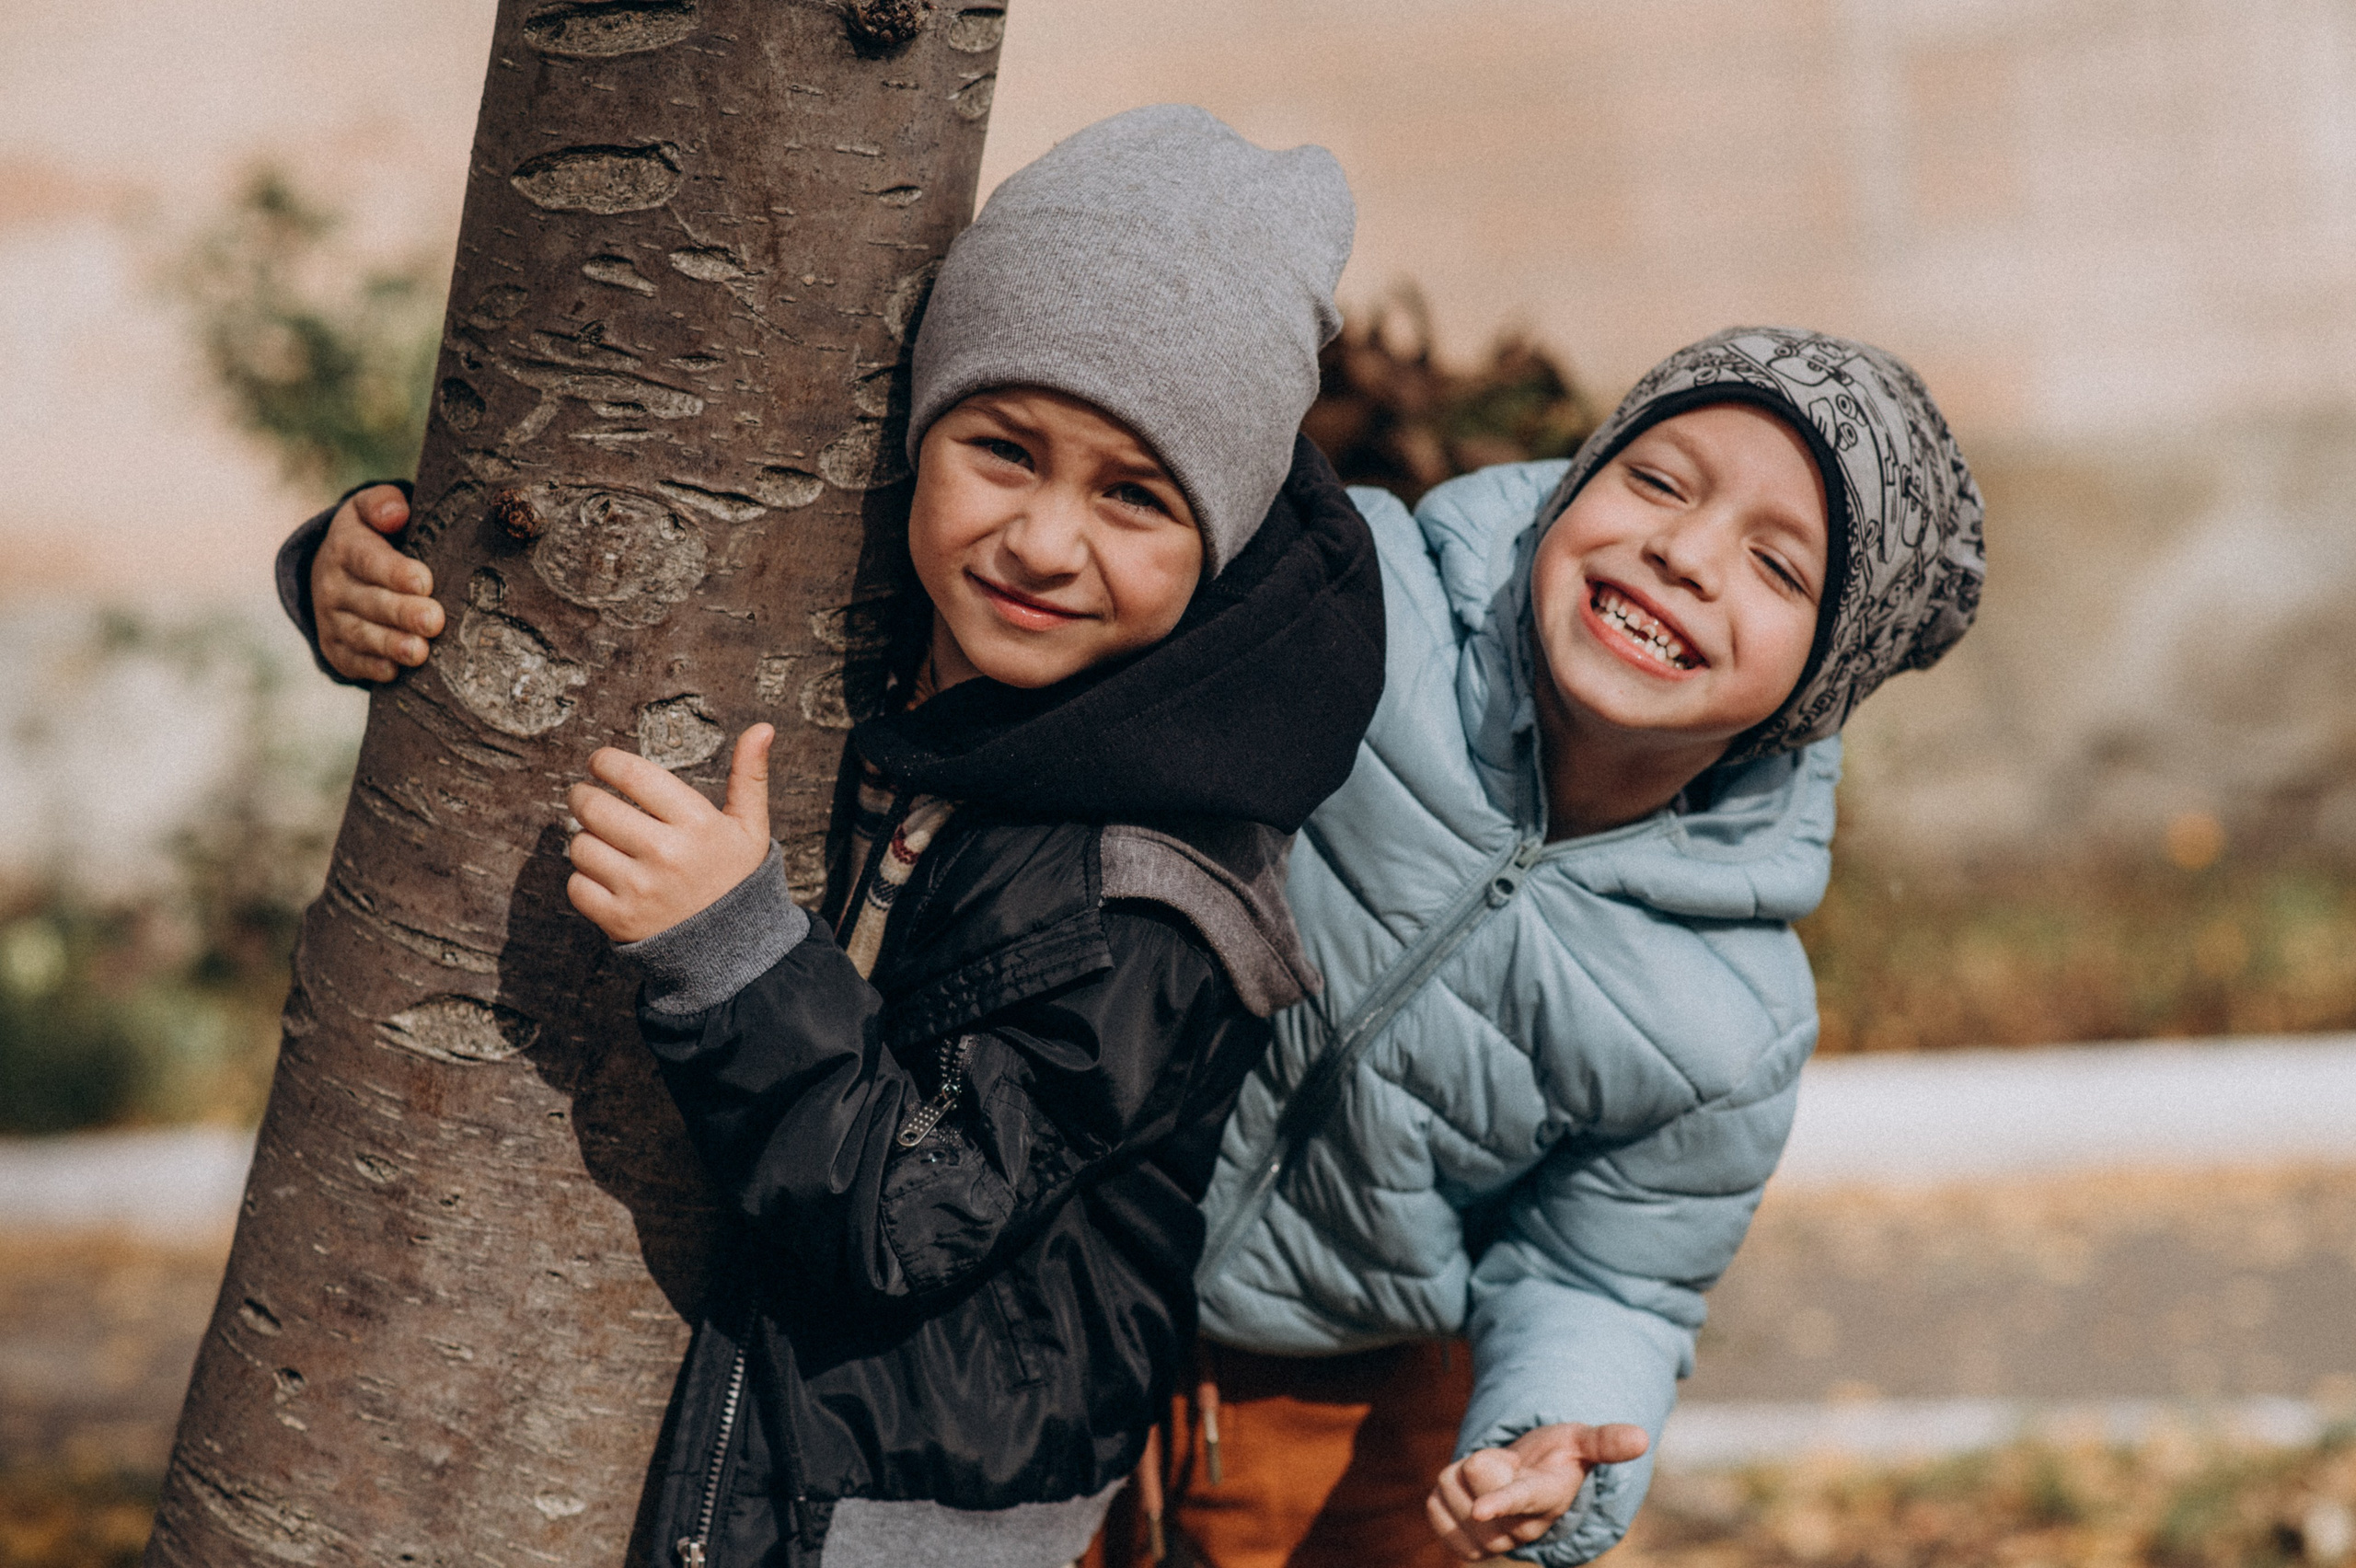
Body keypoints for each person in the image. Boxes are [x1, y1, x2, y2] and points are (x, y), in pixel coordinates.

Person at [274, 105, 1382, 1568]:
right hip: (766, 1449)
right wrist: (349, 573)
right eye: (1002, 450)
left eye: (1134, 497)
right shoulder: (888, 638)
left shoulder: (1149, 893)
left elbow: (910, 1206)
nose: (1045, 541)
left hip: (905, 1519)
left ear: (1223, 533)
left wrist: (731, 950)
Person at [1091, 327, 1985, 1568]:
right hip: (1043, 1267)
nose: (1683, 551)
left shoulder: (1727, 1017)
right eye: (1657, 481)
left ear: (1816, 690)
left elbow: (1607, 1278)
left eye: (1777, 568)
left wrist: (1547, 1435)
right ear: (1576, 481)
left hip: (1345, 1399)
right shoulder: (1361, 607)